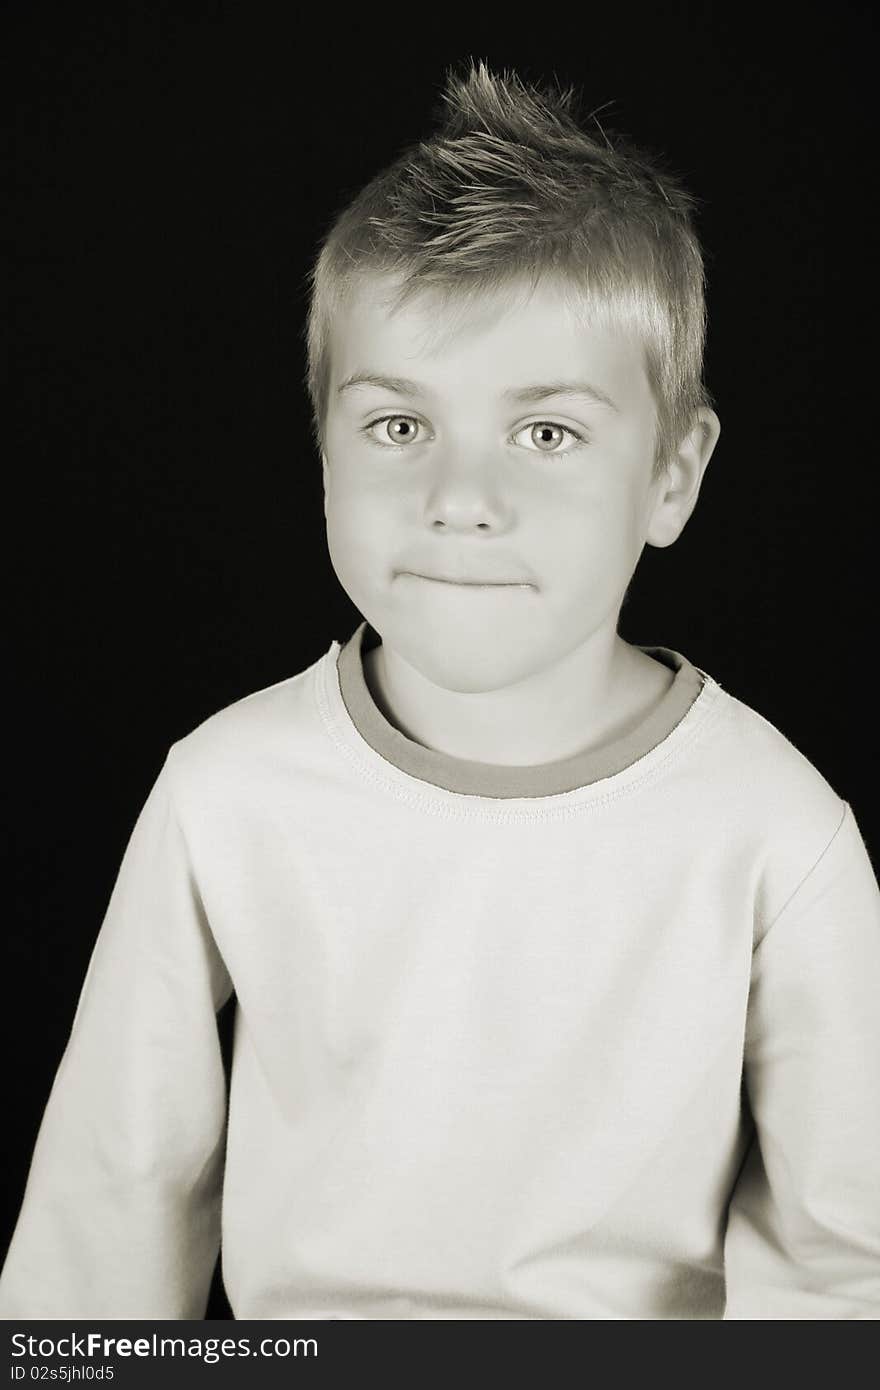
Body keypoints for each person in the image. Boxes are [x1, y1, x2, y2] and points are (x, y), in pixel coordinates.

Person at [2, 57, 878, 1322]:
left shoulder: (773, 834)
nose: (461, 498)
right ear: (321, 447)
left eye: (547, 432)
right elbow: (116, 1192)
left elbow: (837, 1259)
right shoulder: (226, 791)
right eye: (399, 426)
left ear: (672, 474)